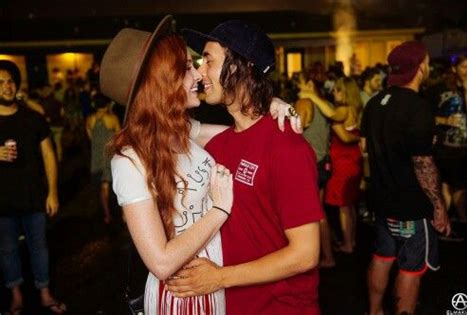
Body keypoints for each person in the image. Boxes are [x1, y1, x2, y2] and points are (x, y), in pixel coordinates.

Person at [100, 16, 299, 315]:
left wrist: (272, 103)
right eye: (186, 68)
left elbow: (242, 134)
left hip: (215, 276)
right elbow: (162, 262)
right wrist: (220, 210)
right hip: (183, 292)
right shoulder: (129, 161)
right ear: (161, 83)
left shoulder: (182, 130)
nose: (198, 75)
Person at [166, 20, 324, 315]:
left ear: (240, 67)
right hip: (231, 304)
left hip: (281, 308)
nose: (200, 73)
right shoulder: (217, 147)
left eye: (208, 61)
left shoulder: (286, 146)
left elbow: (305, 253)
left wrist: (219, 277)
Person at [360, 41, 450, 315]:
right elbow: (423, 163)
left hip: (382, 201)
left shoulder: (375, 103)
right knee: (411, 269)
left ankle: (374, 311)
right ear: (420, 67)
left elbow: (364, 149)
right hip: (411, 205)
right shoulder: (418, 107)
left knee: (383, 256)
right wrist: (438, 206)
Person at [0, 60, 66, 314]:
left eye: (9, 81)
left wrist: (53, 192)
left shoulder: (33, 118)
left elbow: (49, 155)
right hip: (3, 203)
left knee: (39, 247)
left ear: (16, 85)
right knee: (7, 251)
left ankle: (45, 294)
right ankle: (16, 297)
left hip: (34, 198)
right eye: (1, 83)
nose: (6, 87)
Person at [299, 77, 363, 254]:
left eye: (337, 90)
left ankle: (347, 244)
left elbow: (336, 121)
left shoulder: (343, 109)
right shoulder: (354, 109)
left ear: (345, 92)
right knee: (349, 206)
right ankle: (351, 240)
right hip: (352, 159)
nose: (333, 93)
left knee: (343, 206)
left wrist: (313, 97)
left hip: (344, 161)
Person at [426, 54, 467, 241]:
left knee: (452, 186)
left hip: (465, 146)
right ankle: (461, 223)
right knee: (455, 186)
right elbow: (425, 116)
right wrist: (445, 120)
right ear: (454, 69)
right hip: (444, 146)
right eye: (464, 67)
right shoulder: (438, 89)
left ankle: (444, 224)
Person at [295, 75, 335, 267]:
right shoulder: (324, 104)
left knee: (313, 215)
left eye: (301, 81)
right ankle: (327, 253)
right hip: (323, 163)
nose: (298, 85)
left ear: (310, 84)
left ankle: (323, 256)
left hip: (311, 165)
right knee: (320, 212)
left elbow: (297, 127)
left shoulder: (304, 103)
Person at [85, 93, 120, 224]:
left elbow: (90, 137)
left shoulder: (89, 119)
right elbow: (119, 137)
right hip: (110, 155)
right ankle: (123, 212)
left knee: (103, 187)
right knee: (117, 184)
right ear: (106, 104)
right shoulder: (112, 118)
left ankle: (107, 215)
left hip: (96, 156)